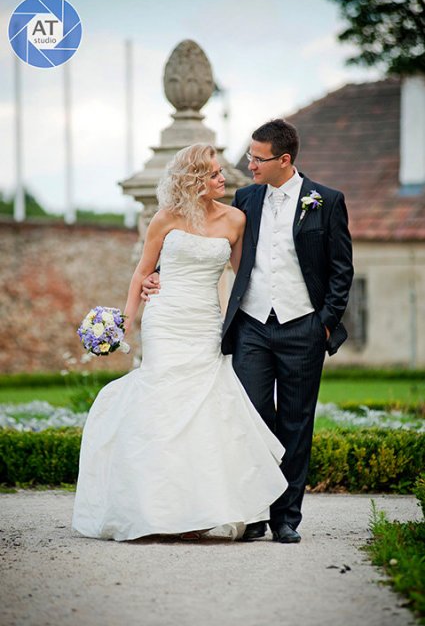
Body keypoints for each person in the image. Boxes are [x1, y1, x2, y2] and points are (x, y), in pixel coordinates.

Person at [143, 120, 353, 544]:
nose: (249, 165)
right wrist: (158, 274)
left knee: (296, 424)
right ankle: (253, 512)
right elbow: (202, 240)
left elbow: (341, 269)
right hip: (252, 327)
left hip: (303, 327)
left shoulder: (326, 201)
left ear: (284, 160)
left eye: (257, 159)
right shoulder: (246, 199)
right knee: (249, 419)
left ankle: (285, 518)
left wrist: (324, 323)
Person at [72, 143, 288, 542]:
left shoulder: (235, 220)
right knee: (163, 406)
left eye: (220, 172)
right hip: (166, 320)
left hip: (205, 323)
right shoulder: (165, 218)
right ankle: (157, 510)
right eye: (215, 174)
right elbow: (142, 273)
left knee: (203, 411)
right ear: (195, 180)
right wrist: (125, 323)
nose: (223, 178)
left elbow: (244, 277)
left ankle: (199, 512)